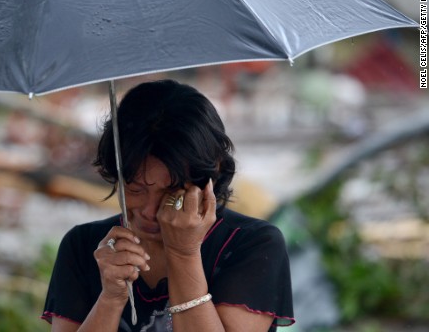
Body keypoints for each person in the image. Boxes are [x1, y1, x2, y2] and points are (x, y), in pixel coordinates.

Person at [41, 80, 294, 331]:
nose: (150, 211)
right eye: (135, 189)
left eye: (171, 192)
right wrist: (110, 298)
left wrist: (183, 253)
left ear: (208, 179)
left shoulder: (251, 244)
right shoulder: (85, 247)